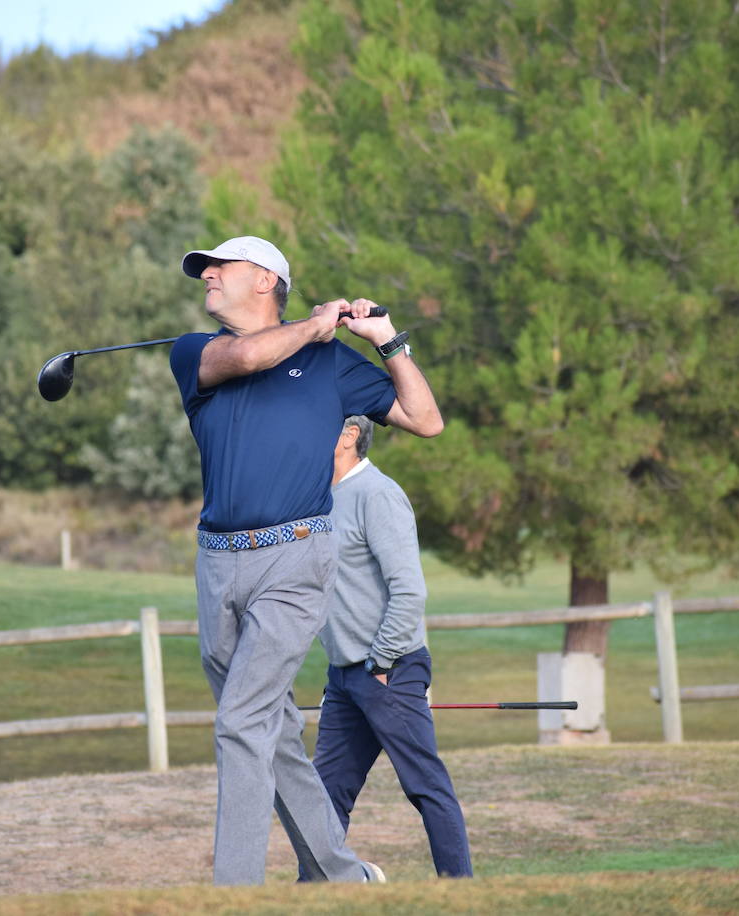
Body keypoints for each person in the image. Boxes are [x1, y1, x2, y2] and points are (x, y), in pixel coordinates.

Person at [170, 235, 443, 886]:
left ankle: (232, 893)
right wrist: (315, 327)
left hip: (294, 562)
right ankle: (343, 877)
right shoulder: (196, 350)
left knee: (240, 722)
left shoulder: (330, 366)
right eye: (204, 269)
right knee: (272, 731)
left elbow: (423, 418)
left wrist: (387, 340)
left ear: (266, 280)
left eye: (219, 266)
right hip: (218, 566)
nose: (206, 275)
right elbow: (248, 355)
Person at [309, 414, 473, 879]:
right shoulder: (321, 499)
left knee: (425, 786)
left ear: (349, 436)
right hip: (344, 677)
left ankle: (462, 894)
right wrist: (342, 668)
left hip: (389, 669)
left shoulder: (377, 495)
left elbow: (409, 592)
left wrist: (380, 663)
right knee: (325, 793)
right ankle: (314, 892)